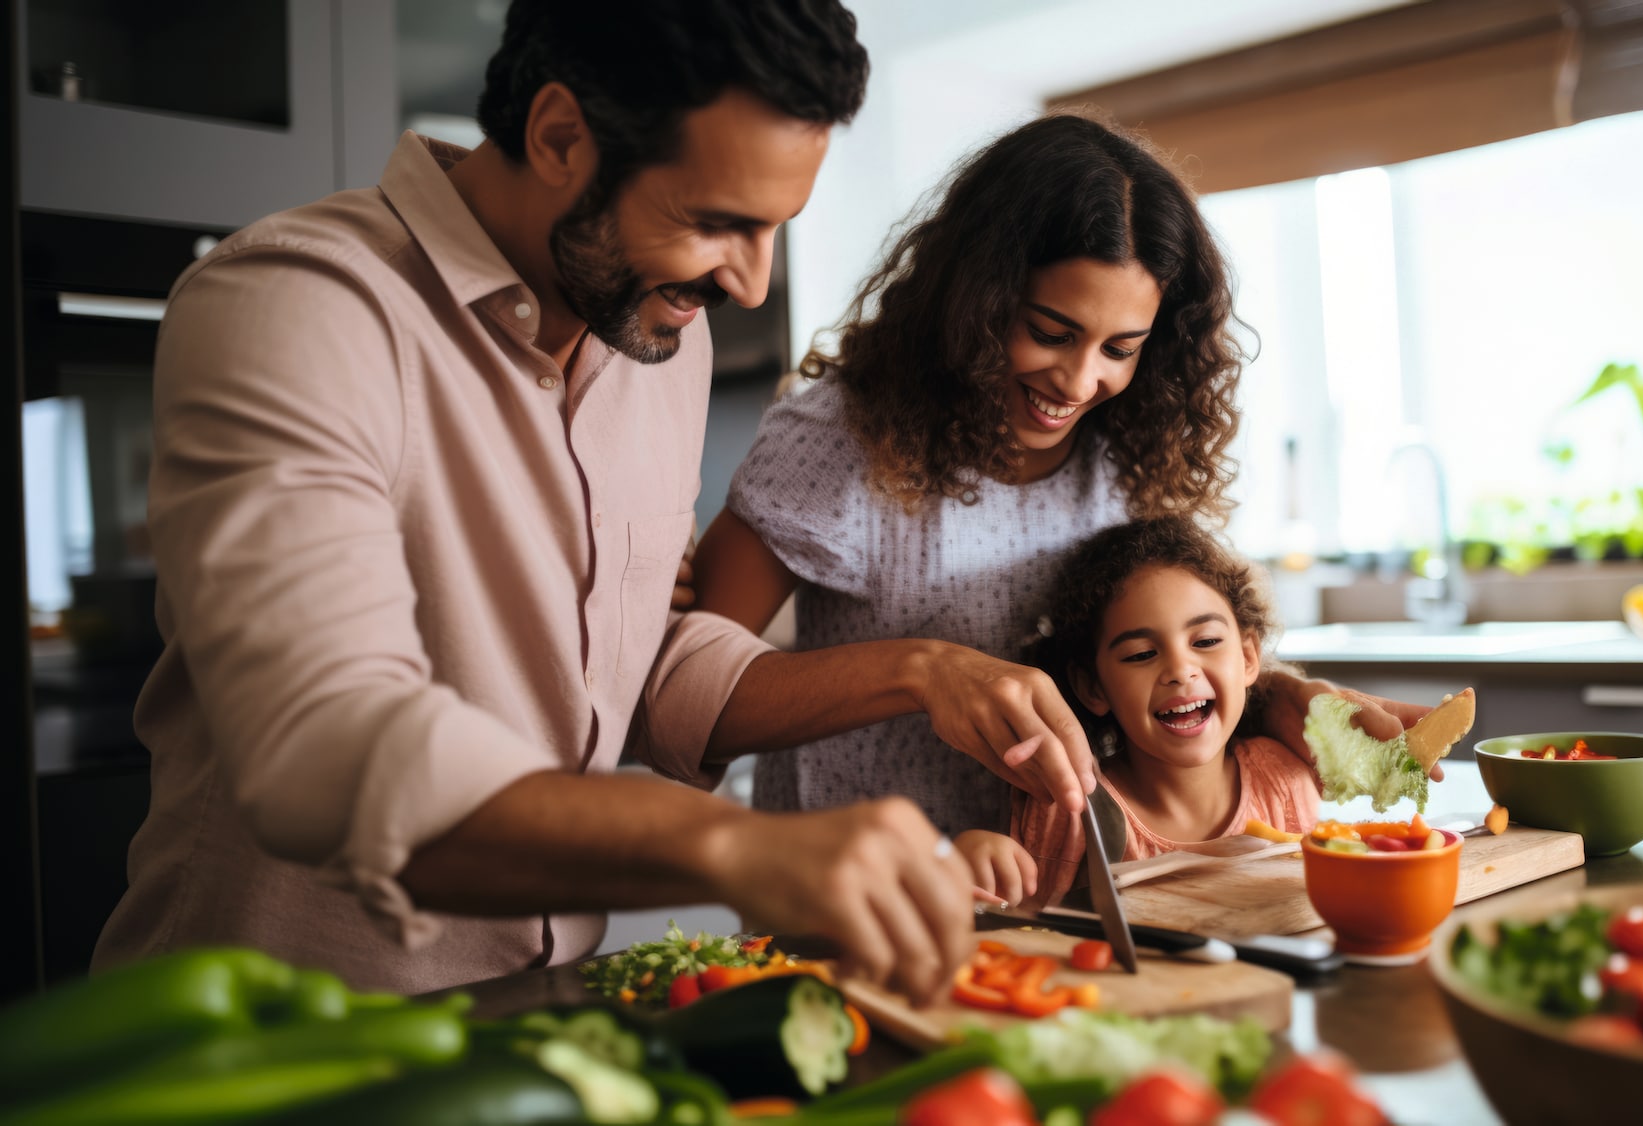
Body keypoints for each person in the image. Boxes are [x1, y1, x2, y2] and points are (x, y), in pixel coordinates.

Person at [93, 0, 1088, 1007]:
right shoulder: (300, 305)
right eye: (715, 222)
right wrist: (735, 847)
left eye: (775, 228)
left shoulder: (659, 339)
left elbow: (635, 655)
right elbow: (324, 737)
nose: (750, 284)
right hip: (271, 1031)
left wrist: (923, 671)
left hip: (541, 1007)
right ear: (561, 136)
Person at [694, 112, 1433, 843]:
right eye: (1050, 332)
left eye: (1121, 347)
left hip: (1069, 897)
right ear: (972, 301)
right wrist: (922, 671)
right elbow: (684, 700)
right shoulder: (842, 437)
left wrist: (1283, 699)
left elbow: (1160, 659)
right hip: (856, 896)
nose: (1080, 381)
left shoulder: (1132, 454)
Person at [957, 517, 1321, 905]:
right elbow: (1027, 930)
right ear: (1093, 687)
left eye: (1207, 640)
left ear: (1248, 657)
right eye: (1141, 654)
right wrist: (977, 869)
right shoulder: (1068, 808)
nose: (1181, 671)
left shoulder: (1285, 784)